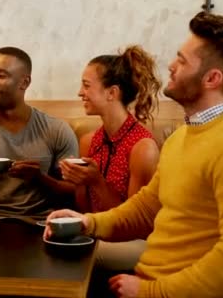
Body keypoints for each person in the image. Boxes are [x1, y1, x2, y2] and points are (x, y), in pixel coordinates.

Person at [45, 11, 223, 298]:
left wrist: (152, 291)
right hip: (148, 278)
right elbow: (145, 208)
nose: (172, 65)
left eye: (182, 59)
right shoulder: (182, 137)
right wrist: (88, 223)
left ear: (212, 78)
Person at [59, 46, 161, 272]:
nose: (79, 92)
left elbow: (136, 224)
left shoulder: (143, 148)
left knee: (72, 252)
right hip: (97, 231)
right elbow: (85, 208)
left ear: (111, 93)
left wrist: (96, 181)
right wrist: (78, 182)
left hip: (138, 243)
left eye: (86, 86)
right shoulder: (89, 141)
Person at [0, 47, 79, 220]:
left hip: (43, 227)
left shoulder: (57, 130)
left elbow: (74, 192)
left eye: (2, 75)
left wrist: (40, 178)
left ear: (24, 83)